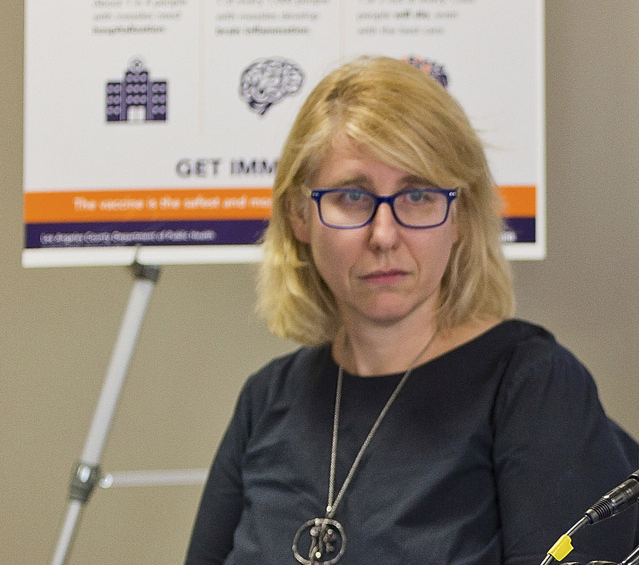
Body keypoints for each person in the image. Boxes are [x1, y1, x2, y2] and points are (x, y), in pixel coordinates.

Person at [185, 56, 638, 565]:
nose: (384, 235)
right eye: (353, 196)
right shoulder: (266, 401)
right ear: (299, 216)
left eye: (418, 195)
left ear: (461, 215)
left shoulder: (532, 386)